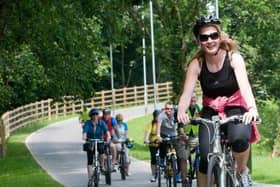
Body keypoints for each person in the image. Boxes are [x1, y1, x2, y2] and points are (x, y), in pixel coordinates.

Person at [177, 15, 260, 187]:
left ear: (219, 35)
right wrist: (181, 111)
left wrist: (252, 109)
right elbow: (186, 94)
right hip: (210, 111)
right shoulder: (197, 63)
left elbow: (245, 88)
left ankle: (242, 171)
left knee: (238, 139)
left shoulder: (233, 58)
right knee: (206, 158)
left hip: (235, 107)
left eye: (213, 35)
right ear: (199, 41)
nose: (210, 40)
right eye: (204, 37)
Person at [176, 92, 201, 187]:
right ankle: (184, 179)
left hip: (196, 136)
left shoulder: (198, 108)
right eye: (191, 98)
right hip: (184, 136)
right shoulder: (183, 109)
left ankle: (200, 171)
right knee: (183, 157)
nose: (193, 100)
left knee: (204, 153)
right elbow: (180, 126)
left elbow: (202, 121)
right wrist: (183, 134)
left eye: (194, 98)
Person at [82, 108, 111, 187]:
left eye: (96, 114)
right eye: (93, 115)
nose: (95, 116)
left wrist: (108, 137)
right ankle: (90, 179)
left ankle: (101, 166)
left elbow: (107, 132)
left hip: (99, 141)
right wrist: (84, 137)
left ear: (98, 115)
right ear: (91, 116)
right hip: (90, 142)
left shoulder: (101, 123)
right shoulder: (88, 123)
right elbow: (85, 132)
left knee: (102, 152)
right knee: (90, 161)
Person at [156, 101, 182, 183]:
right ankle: (162, 159)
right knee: (162, 145)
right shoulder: (161, 115)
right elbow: (158, 126)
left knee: (179, 155)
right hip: (164, 134)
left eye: (171, 109)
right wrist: (158, 135)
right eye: (167, 109)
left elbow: (180, 124)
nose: (169, 110)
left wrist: (181, 134)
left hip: (173, 134)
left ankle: (178, 174)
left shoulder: (175, 114)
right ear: (164, 109)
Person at [144, 109, 161, 182]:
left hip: (161, 143)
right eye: (156, 117)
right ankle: (153, 175)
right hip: (153, 144)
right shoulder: (151, 124)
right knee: (153, 158)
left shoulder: (163, 122)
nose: (157, 118)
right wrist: (146, 139)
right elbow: (147, 133)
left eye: (159, 117)